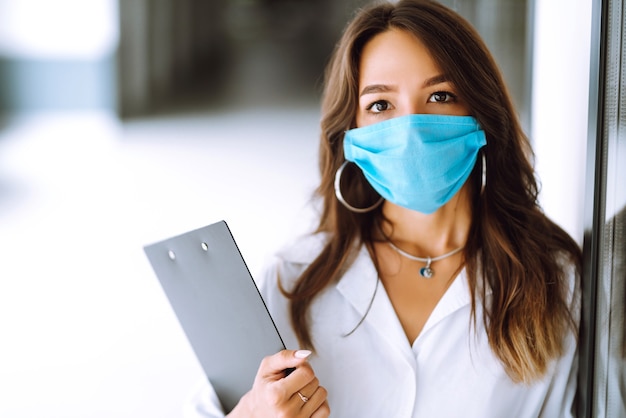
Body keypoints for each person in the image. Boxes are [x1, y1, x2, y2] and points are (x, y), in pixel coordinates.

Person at [185, 0, 582, 416]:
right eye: (380, 105)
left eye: (440, 96)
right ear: (352, 135)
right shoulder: (292, 279)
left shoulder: (551, 279)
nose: (410, 128)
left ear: (481, 115)